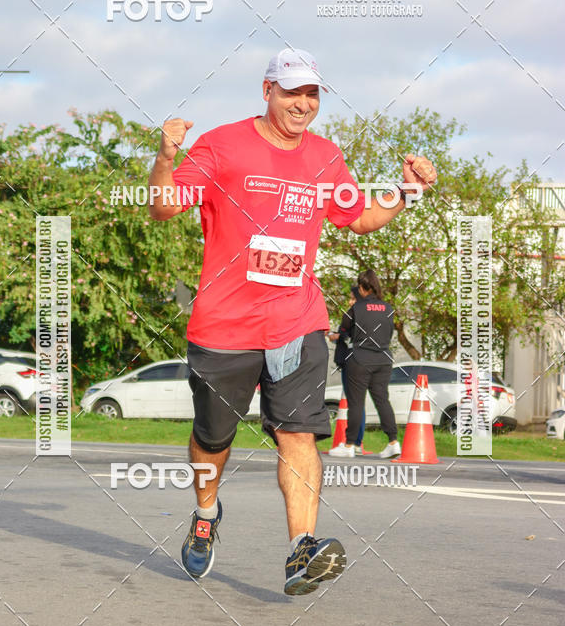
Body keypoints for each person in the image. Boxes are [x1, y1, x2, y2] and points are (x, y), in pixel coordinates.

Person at [148, 47, 436, 595]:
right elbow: (164, 205)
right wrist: (166, 157)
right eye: (292, 92)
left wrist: (405, 192)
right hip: (224, 325)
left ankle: (302, 550)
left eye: (312, 94)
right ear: (267, 91)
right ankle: (206, 512)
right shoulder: (222, 145)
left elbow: (359, 218)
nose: (303, 103)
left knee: (298, 435)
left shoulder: (327, 158)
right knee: (212, 440)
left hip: (297, 322)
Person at [329, 269, 400, 459]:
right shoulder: (388, 308)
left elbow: (345, 331)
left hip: (360, 359)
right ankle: (393, 442)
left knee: (356, 403)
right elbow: (389, 332)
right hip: (383, 358)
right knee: (382, 400)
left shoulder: (356, 309)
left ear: (361, 287)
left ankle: (350, 444)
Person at [328, 284, 366, 451]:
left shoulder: (357, 316)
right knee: (356, 403)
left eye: (353, 298)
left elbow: (351, 336)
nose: (350, 302)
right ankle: (355, 442)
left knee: (355, 403)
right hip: (352, 361)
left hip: (352, 362)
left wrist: (337, 336)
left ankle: (353, 443)